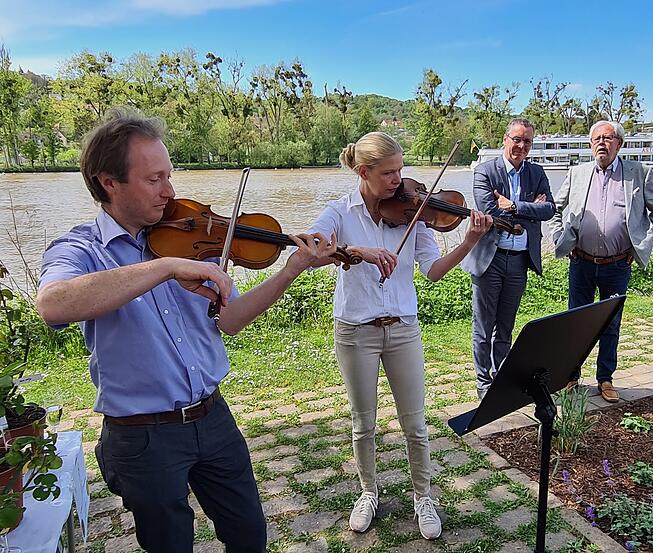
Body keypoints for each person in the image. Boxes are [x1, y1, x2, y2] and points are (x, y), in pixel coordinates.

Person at [35, 108, 337, 553]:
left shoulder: (186, 236)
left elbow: (228, 322)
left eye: (169, 176)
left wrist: (290, 270)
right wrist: (166, 267)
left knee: (249, 536)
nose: (170, 191)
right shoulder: (81, 248)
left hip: (213, 419)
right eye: (154, 179)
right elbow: (53, 304)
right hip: (142, 435)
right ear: (109, 182)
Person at [307, 131, 493, 539]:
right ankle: (368, 491)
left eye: (401, 171)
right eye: (389, 173)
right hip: (356, 332)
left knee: (416, 423)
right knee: (363, 424)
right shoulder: (340, 212)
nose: (399, 181)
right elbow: (312, 246)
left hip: (403, 329)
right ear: (363, 171)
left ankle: (423, 496)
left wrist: (469, 240)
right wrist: (358, 252)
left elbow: (433, 270)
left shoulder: (415, 212)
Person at [548, 120, 653, 402]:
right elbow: (554, 209)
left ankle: (605, 379)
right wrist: (560, 238)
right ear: (591, 145)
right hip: (581, 262)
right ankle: (570, 376)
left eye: (609, 138)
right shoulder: (577, 173)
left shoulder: (639, 173)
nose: (602, 143)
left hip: (617, 264)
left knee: (611, 323)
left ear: (619, 144)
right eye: (597, 139)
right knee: (574, 321)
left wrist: (641, 245)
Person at [461, 118, 555, 400]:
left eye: (527, 141)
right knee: (483, 324)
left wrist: (514, 206)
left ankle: (500, 375)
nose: (521, 146)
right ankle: (483, 381)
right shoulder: (485, 171)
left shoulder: (536, 173)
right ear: (505, 139)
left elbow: (549, 209)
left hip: (518, 260)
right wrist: (529, 210)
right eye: (517, 139)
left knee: (506, 324)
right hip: (489, 258)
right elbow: (490, 212)